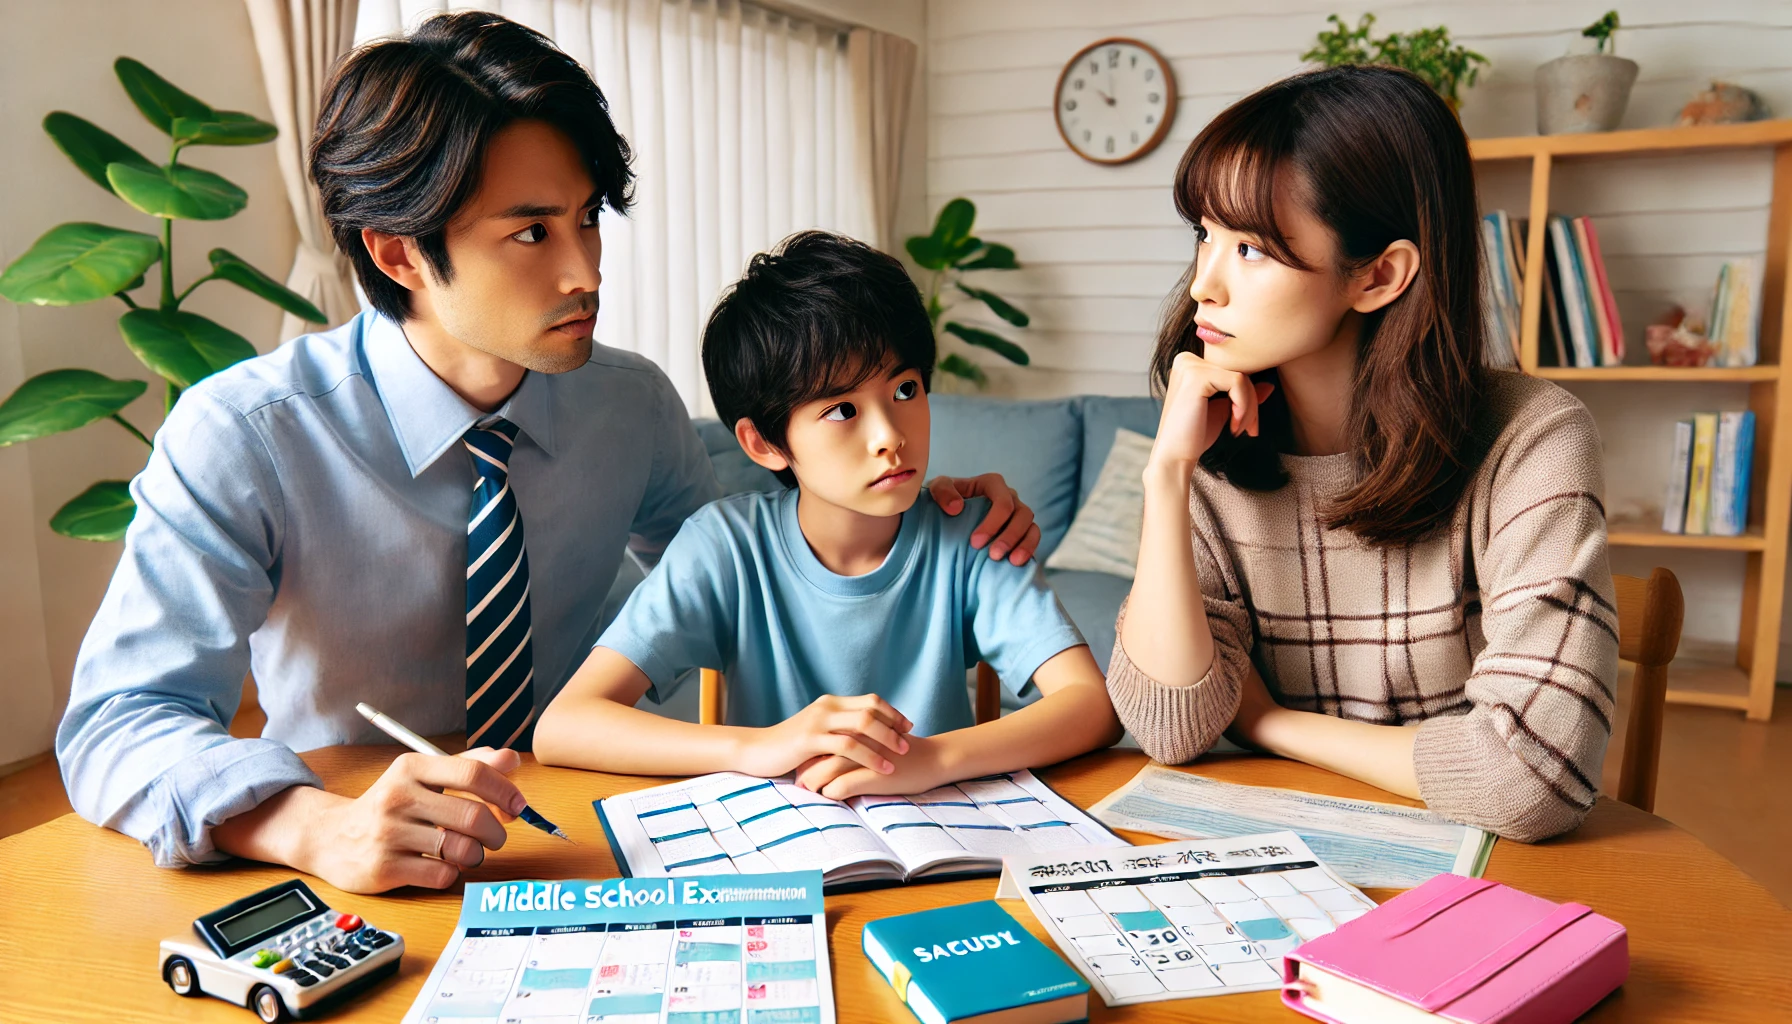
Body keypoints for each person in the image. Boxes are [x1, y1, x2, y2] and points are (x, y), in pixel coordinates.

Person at [55, 12, 1044, 894]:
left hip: (588, 829)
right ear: (398, 252)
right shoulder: (246, 432)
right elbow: (119, 719)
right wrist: (316, 825)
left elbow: (755, 564)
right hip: (362, 844)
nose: (586, 272)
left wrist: (910, 508)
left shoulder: (629, 401)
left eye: (585, 221)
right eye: (531, 232)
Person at [1110, 66, 1618, 843]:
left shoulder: (1533, 440)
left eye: (1251, 249)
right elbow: (1168, 727)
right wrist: (1167, 474)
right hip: (1271, 855)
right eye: (1204, 235)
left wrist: (1272, 723)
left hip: (1474, 874)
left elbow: (1528, 781)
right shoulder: (1210, 432)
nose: (1204, 285)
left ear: (1379, 276)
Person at [534, 232, 1122, 796]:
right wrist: (758, 748)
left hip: (941, 843)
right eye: (843, 410)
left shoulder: (967, 536)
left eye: (905, 391)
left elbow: (1092, 706)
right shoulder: (724, 547)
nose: (890, 436)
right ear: (764, 444)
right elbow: (565, 726)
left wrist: (936, 759)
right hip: (775, 861)